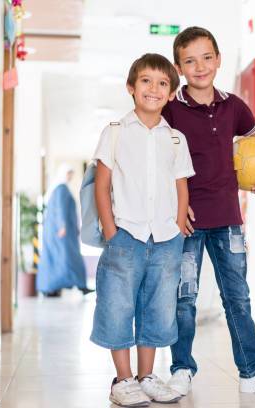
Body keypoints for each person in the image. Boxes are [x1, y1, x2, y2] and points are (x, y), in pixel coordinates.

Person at [162, 26, 255, 396]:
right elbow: (159, 165)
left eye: (207, 57)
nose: (200, 66)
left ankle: (252, 372)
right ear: (179, 68)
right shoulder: (170, 110)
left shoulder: (233, 105)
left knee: (237, 297)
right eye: (190, 60)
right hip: (186, 221)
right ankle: (181, 368)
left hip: (228, 219)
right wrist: (176, 206)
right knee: (183, 299)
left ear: (218, 59)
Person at [90, 53, 195, 406]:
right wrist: (110, 230)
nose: (154, 88)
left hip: (166, 238)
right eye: (146, 81)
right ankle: (122, 380)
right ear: (131, 88)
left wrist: (180, 227)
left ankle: (147, 375)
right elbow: (101, 185)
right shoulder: (115, 133)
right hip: (126, 235)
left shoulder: (176, 138)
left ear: (170, 93)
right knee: (118, 304)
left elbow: (181, 185)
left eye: (162, 83)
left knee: (159, 306)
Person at [37, 164, 94, 297]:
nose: (70, 177)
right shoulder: (61, 188)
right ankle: (77, 286)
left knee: (58, 259)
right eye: (69, 174)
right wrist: (62, 226)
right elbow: (60, 209)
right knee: (67, 258)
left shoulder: (58, 188)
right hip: (61, 233)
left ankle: (52, 287)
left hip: (59, 232)